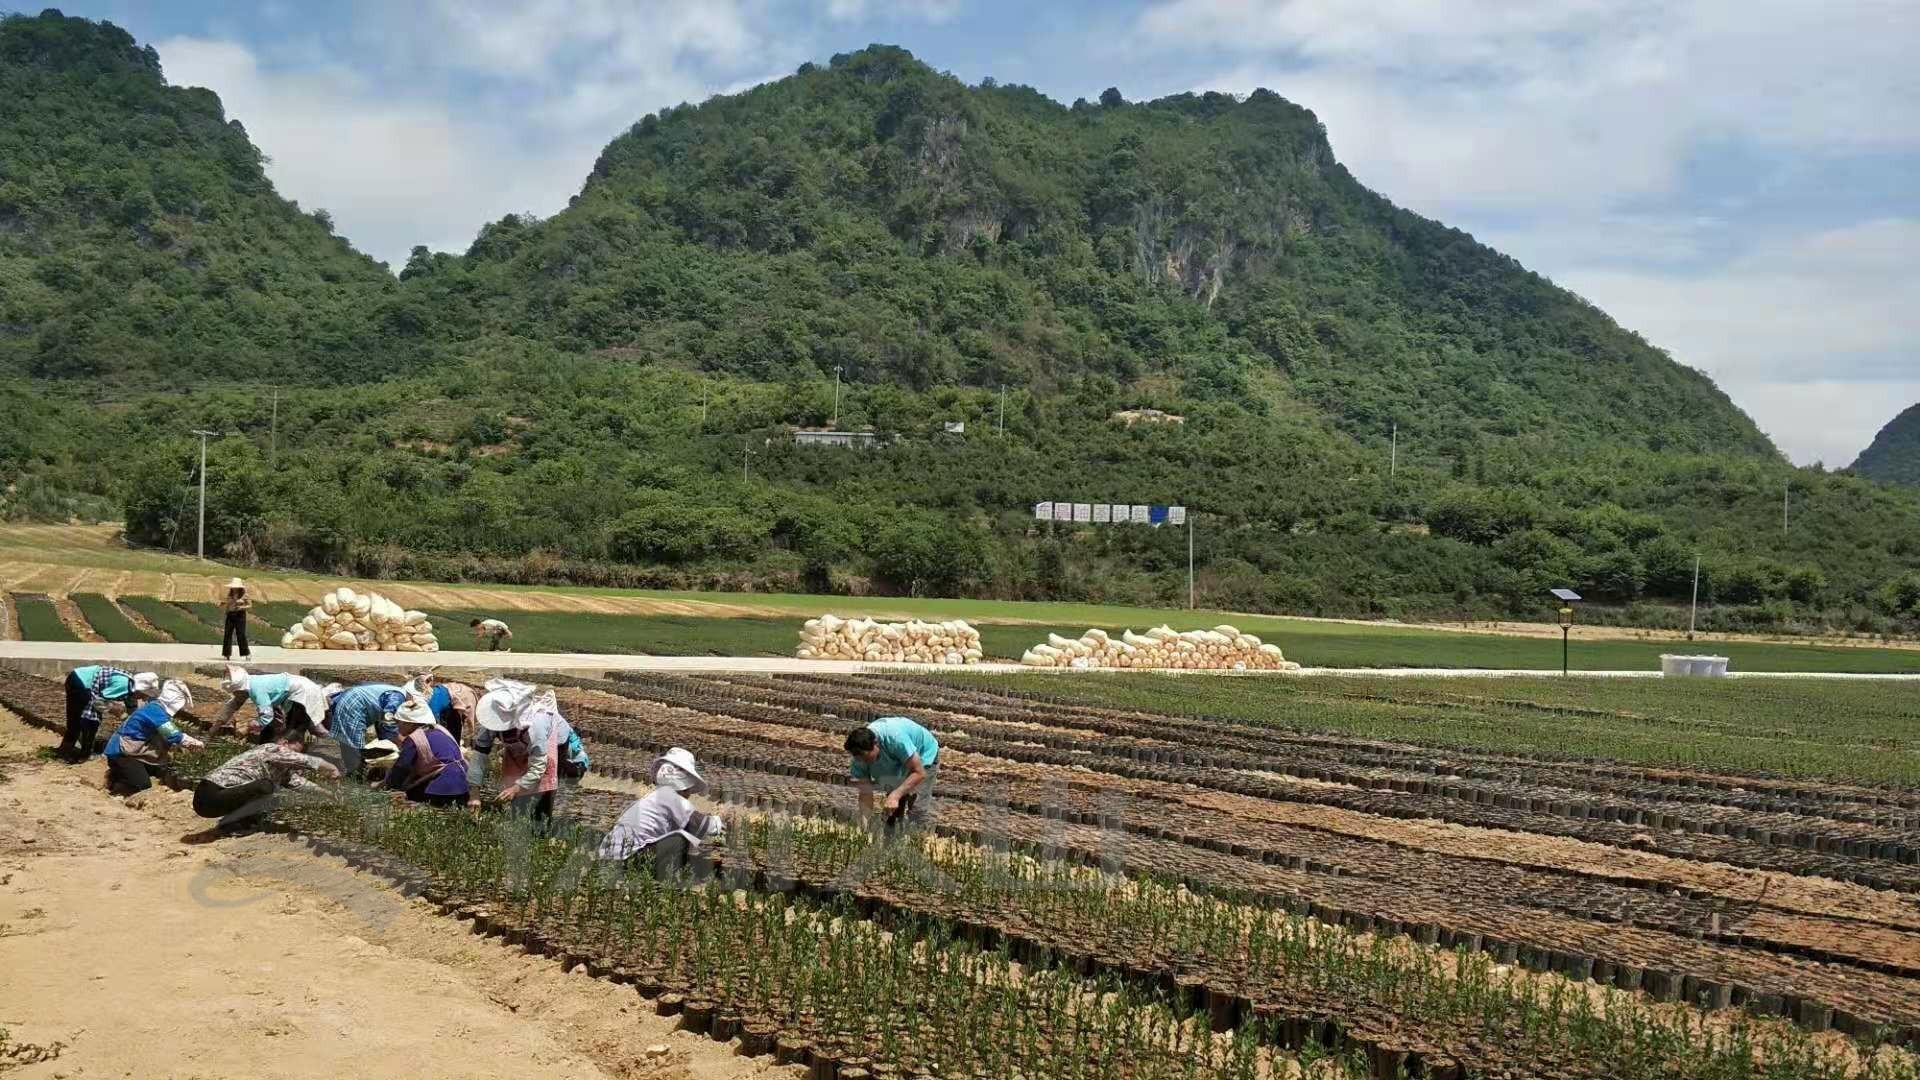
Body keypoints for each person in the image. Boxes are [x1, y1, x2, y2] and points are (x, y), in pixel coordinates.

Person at [473, 678, 588, 827]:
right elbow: (479, 753)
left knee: (543, 790)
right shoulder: (494, 719)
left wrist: (516, 788)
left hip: (553, 741)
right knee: (517, 795)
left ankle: (541, 827)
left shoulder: (536, 726)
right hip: (522, 749)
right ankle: (520, 819)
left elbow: (539, 767)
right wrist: (474, 793)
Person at [596, 748, 724, 881]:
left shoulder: (654, 797)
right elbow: (702, 825)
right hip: (628, 860)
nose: (690, 793)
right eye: (690, 788)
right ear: (685, 784)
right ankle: (663, 880)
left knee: (681, 834)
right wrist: (723, 824)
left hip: (610, 859)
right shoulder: (670, 797)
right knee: (681, 838)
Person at [193, 724, 340, 828]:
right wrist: (331, 768)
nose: (295, 756)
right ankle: (239, 822)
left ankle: (238, 822)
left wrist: (327, 793)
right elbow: (306, 761)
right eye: (294, 751)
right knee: (265, 786)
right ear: (284, 742)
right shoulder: (271, 748)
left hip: (214, 803)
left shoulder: (281, 769)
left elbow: (298, 783)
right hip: (209, 795)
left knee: (266, 786)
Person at [102, 680, 204, 794]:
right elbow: (172, 733)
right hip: (121, 753)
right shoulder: (155, 711)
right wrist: (194, 743)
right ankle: (117, 783)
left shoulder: (156, 707)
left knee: (159, 770)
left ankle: (119, 774)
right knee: (143, 786)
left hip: (134, 751)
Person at [846, 716, 940, 830]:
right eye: (860, 759)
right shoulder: (859, 759)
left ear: (876, 744)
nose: (864, 762)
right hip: (897, 761)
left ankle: (918, 842)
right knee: (891, 812)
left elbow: (919, 773)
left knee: (917, 809)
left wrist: (895, 795)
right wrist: (863, 827)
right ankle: (891, 844)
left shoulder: (895, 739)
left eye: (866, 758)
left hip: (923, 754)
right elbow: (866, 793)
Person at [59, 665, 159, 762]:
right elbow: (99, 702)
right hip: (81, 682)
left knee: (80, 720)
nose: (144, 699)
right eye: (144, 695)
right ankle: (82, 754)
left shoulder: (132, 686)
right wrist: (117, 712)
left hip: (82, 678)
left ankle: (66, 749)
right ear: (139, 690)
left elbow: (132, 708)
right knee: (89, 721)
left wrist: (132, 721)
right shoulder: (123, 685)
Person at [382, 698, 469, 807]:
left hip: (443, 788)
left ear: (410, 724)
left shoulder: (414, 739)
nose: (397, 726)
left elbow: (401, 768)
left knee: (407, 795)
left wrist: (387, 786)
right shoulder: (440, 730)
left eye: (399, 722)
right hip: (465, 783)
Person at [213, 666, 335, 743]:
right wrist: (214, 729)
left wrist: (248, 727)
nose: (235, 694)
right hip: (295, 693)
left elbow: (266, 716)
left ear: (239, 688)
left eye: (235, 692)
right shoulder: (248, 685)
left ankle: (331, 744)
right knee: (298, 727)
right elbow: (232, 706)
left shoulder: (256, 689)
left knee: (295, 730)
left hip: (303, 693)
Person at [324, 681, 407, 778]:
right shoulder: (399, 697)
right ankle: (356, 776)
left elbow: (381, 720)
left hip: (347, 700)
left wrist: (387, 738)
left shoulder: (392, 690)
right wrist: (400, 743)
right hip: (352, 704)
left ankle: (355, 773)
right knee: (352, 743)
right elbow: (387, 719)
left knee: (349, 741)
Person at [220, 577, 252, 661]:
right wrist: (224, 607)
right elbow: (227, 605)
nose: (234, 588)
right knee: (227, 634)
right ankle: (226, 654)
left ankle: (246, 653)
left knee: (240, 634)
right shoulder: (229, 595)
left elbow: (250, 605)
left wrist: (242, 607)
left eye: (235, 587)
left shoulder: (245, 595)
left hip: (240, 615)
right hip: (230, 615)